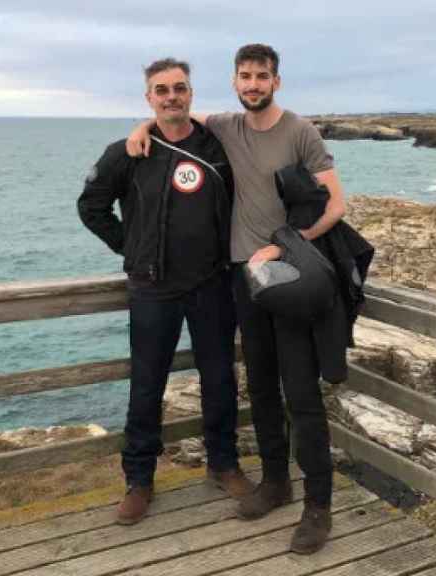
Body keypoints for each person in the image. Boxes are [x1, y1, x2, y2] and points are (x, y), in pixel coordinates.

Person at [127, 44, 347, 554]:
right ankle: (275, 482)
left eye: (262, 77)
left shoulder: (300, 131)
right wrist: (139, 129)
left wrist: (287, 242)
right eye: (245, 76)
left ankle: (319, 505)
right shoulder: (226, 126)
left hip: (288, 274)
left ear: (277, 81)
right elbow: (176, 112)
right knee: (262, 387)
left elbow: (336, 204)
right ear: (234, 82)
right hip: (242, 281)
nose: (253, 84)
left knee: (301, 391)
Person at [78, 57, 254, 526]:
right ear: (149, 98)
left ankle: (224, 465)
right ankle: (139, 480)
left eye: (179, 87)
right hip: (152, 288)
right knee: (146, 385)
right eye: (162, 90)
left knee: (219, 380)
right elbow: (91, 206)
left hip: (212, 285)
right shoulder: (127, 152)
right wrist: (130, 248)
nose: (171, 96)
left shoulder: (219, 148)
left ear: (191, 93)